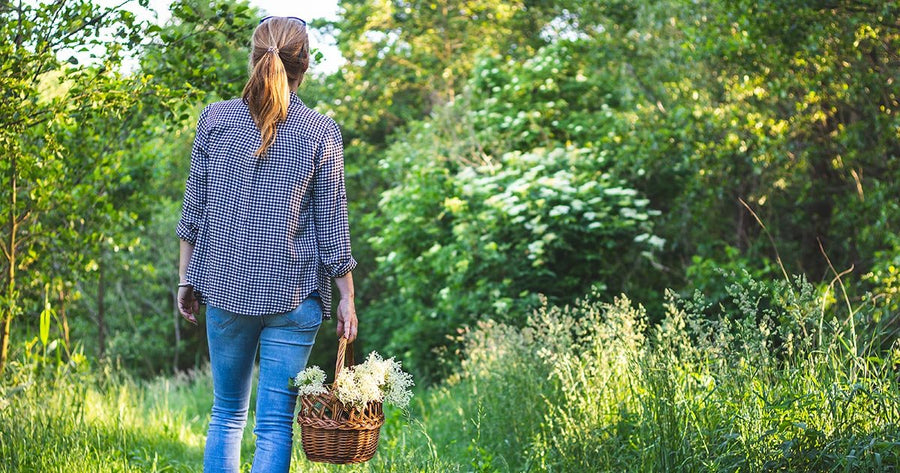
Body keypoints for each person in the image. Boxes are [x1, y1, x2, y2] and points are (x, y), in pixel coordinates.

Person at [175, 16, 358, 473]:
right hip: (294, 296)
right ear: (306, 66)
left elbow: (193, 210)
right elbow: (334, 223)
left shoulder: (215, 120)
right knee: (275, 424)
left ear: (252, 59)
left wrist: (184, 280)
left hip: (225, 289)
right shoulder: (321, 131)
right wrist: (347, 297)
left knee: (227, 413)